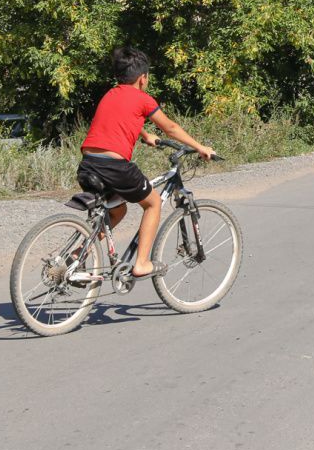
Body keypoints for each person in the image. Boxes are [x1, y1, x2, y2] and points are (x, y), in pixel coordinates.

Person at [78, 46, 216, 278]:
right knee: (152, 202)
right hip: (115, 167)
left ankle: (78, 254)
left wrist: (144, 135)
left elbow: (121, 118)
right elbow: (170, 128)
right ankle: (142, 263)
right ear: (143, 78)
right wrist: (200, 147)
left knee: (117, 211)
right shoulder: (143, 99)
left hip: (88, 164)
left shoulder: (110, 94)